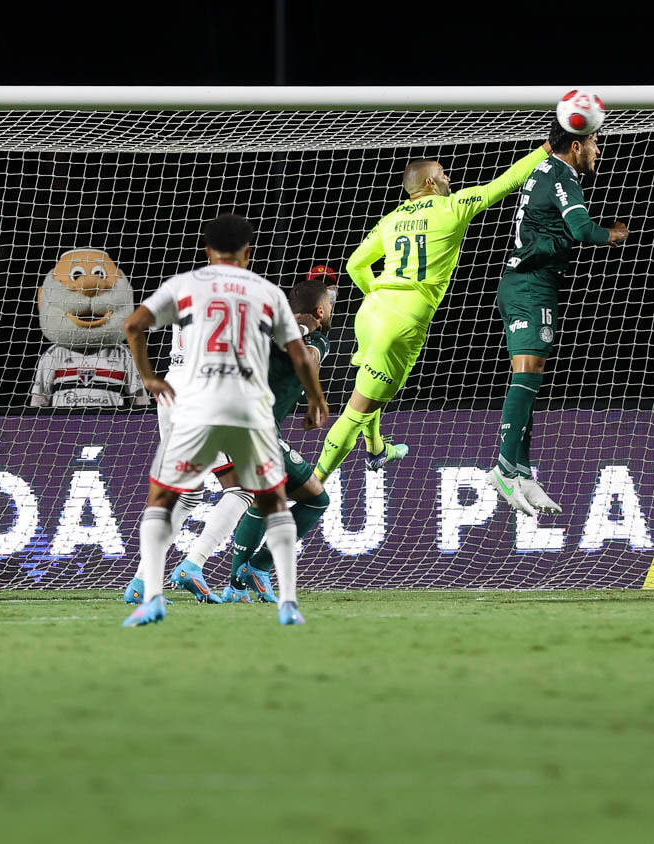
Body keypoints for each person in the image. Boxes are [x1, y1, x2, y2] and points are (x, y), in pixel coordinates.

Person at [122, 213, 328, 626]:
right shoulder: (260, 291)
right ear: (248, 252)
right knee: (242, 489)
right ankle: (193, 565)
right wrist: (315, 398)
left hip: (175, 390)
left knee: (185, 493)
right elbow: (298, 353)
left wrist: (147, 376)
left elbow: (133, 325)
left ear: (206, 251)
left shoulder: (183, 285)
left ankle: (144, 579)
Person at [313, 140, 552, 483]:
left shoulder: (391, 219)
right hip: (401, 323)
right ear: (429, 183)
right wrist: (547, 147)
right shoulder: (452, 208)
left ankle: (377, 449)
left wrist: (379, 296)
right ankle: (313, 486)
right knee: (357, 410)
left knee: (368, 385)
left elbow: (355, 264)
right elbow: (508, 181)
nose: (448, 177)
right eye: (442, 173)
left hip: (370, 313)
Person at [488, 126, 628, 516]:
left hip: (530, 284)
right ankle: (501, 469)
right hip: (529, 285)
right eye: (596, 143)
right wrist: (613, 234)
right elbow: (583, 230)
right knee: (526, 373)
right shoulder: (561, 174)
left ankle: (522, 472)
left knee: (530, 377)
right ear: (578, 145)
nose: (598, 151)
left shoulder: (543, 170)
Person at [220, 276, 335, 603]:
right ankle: (256, 567)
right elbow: (307, 358)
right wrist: (317, 400)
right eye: (329, 306)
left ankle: (236, 586)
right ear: (319, 310)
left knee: (264, 499)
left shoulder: (282, 328)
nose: (331, 311)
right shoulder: (299, 334)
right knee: (316, 500)